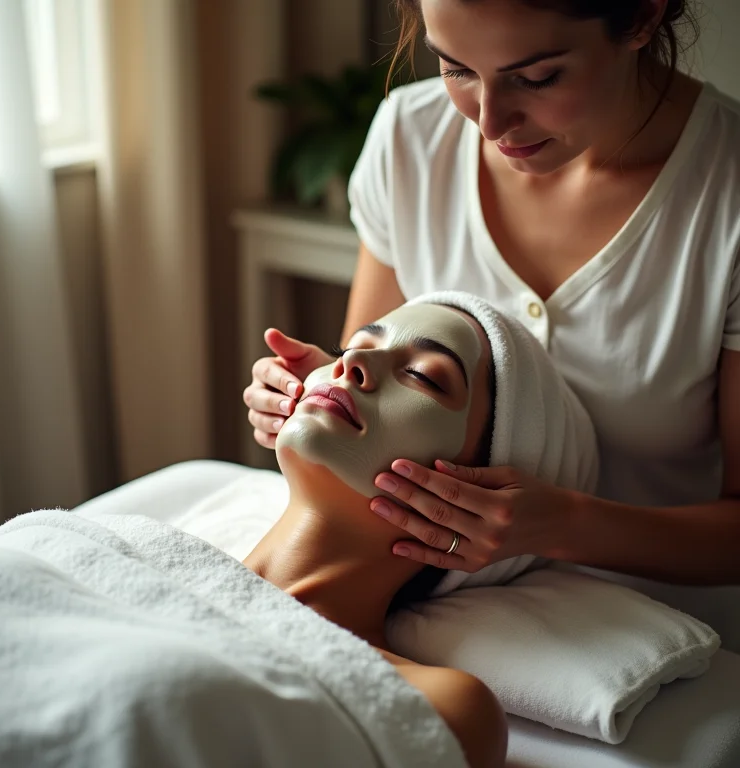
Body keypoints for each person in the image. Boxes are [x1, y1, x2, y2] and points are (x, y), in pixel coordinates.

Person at [244, 0, 740, 588]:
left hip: (659, 638)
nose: (489, 122)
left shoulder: (724, 191)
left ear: (640, 17)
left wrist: (565, 525)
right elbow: (373, 364)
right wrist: (320, 394)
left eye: (536, 78)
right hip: (446, 612)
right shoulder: (410, 140)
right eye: (456, 69)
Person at [244, 291, 596, 766]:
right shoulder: (134, 546)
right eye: (348, 347)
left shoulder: (432, 707)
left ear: (482, 498)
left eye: (422, 376)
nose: (352, 363)